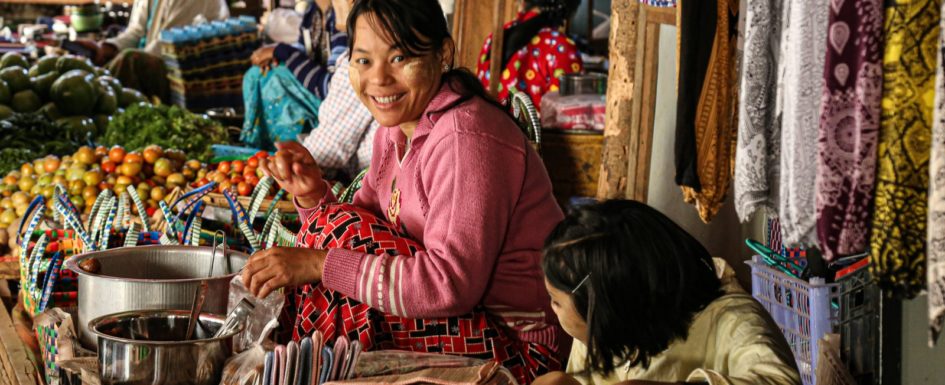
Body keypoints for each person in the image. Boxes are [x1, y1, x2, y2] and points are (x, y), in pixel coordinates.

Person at [240, 0, 565, 383]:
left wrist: (316, 263)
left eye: (399, 58)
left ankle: (307, 371)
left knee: (329, 263)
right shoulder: (394, 132)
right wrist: (314, 198)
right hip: (464, 322)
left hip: (516, 351)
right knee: (334, 245)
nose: (379, 78)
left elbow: (450, 285)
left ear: (442, 54)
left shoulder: (466, 138)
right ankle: (306, 368)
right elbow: (360, 232)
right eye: (363, 61)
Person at [534, 200, 802, 385]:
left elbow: (780, 380)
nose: (551, 307)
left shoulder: (730, 320)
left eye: (556, 301)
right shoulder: (602, 328)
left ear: (610, 304)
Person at [252, 0, 374, 180]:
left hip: (370, 175)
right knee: (262, 74)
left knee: (275, 80)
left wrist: (292, 164)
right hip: (345, 135)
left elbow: (328, 147)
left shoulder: (359, 51)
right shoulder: (313, 13)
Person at [79, 0, 230, 102]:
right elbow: (135, 32)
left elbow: (165, 44)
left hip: (191, 76)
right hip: (159, 63)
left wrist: (107, 70)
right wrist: (106, 48)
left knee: (131, 61)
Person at [475, 0, 584, 108]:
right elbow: (570, 114)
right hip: (530, 125)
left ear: (522, 3)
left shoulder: (493, 39)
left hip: (485, 123)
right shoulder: (561, 48)